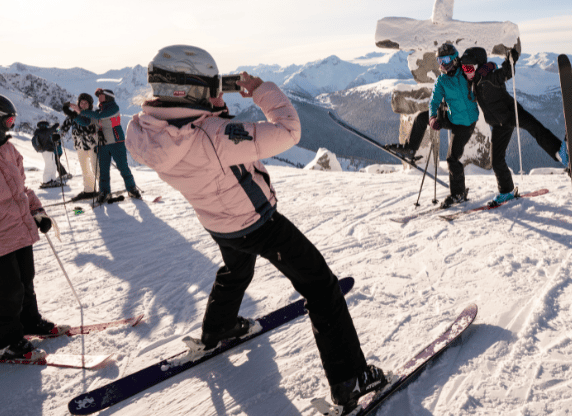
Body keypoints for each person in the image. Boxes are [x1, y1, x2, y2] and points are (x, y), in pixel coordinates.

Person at [125, 45, 387, 411]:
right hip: (257, 223)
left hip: (217, 222)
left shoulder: (143, 131)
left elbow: (191, 136)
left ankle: (220, 327)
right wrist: (263, 91)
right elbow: (288, 131)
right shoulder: (215, 135)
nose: (218, 91)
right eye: (211, 85)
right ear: (192, 89)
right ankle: (350, 381)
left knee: (236, 267)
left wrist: (211, 107)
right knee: (319, 286)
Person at [0, 95, 68, 362]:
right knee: (7, 290)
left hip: (18, 229)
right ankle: (6, 342)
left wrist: (37, 212)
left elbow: (22, 189)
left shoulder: (9, 150)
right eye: (8, 120)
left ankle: (29, 322)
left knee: (26, 279)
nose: (11, 126)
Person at [461, 46, 568, 205]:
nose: (466, 71)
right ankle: (507, 191)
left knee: (534, 127)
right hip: (499, 124)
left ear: (478, 66)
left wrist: (511, 60)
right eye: (464, 68)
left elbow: (506, 73)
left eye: (469, 67)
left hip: (511, 113)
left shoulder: (490, 76)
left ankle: (560, 151)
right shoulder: (474, 82)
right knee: (496, 159)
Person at [386, 43, 479, 208]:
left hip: (466, 124)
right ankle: (410, 148)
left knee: (452, 159)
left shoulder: (465, 72)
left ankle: (458, 194)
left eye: (445, 59)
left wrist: (481, 67)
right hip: (452, 116)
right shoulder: (442, 80)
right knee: (422, 117)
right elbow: (434, 101)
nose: (442, 64)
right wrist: (433, 118)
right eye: (439, 60)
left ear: (454, 58)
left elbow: (479, 71)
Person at [70, 89, 140, 203]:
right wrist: (75, 115)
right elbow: (87, 122)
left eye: (101, 96)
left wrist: (80, 111)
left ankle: (132, 189)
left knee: (123, 168)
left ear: (108, 97)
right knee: (103, 171)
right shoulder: (98, 111)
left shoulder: (113, 108)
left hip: (116, 142)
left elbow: (100, 116)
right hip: (102, 145)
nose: (99, 98)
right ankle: (104, 193)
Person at [61, 93, 100, 201]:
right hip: (80, 147)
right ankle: (89, 190)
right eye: (81, 103)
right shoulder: (72, 115)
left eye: (85, 103)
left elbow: (88, 127)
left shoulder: (91, 115)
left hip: (92, 146)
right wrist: (58, 133)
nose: (83, 105)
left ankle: (104, 191)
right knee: (85, 170)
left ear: (90, 105)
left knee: (97, 169)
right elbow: (63, 127)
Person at [31, 120, 69, 188]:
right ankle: (47, 181)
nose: (47, 127)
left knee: (53, 165)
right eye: (46, 125)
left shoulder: (42, 132)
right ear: (43, 126)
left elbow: (54, 132)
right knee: (49, 165)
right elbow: (51, 130)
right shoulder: (42, 132)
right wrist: (56, 125)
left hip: (49, 151)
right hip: (47, 151)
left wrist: (58, 128)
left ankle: (52, 179)